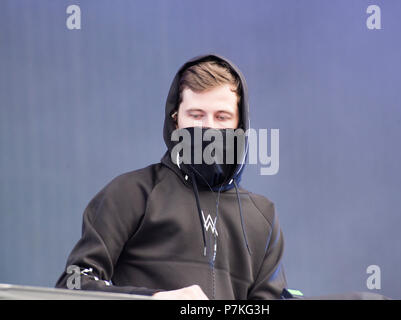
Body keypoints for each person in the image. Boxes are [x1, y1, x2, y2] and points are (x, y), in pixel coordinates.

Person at [55, 54, 287, 300]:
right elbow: (73, 284)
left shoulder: (263, 217)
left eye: (222, 117)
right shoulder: (132, 193)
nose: (208, 128)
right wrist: (153, 299)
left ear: (240, 125)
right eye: (196, 115)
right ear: (175, 120)